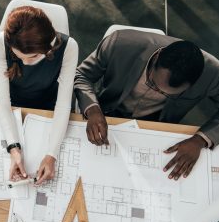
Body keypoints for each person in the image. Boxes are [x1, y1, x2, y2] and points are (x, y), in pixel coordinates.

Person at [74, 29, 219, 181]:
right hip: (106, 111)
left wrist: (200, 140)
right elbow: (82, 75)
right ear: (156, 57)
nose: (156, 92)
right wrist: (92, 109)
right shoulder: (120, 43)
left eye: (168, 94)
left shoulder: (211, 74)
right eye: (152, 83)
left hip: (156, 126)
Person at [0, 6, 78, 185]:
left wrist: (52, 154)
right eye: (19, 56)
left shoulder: (69, 47)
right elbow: (2, 101)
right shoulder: (0, 42)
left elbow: (62, 105)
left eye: (33, 57)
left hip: (49, 108)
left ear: (49, 46)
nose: (25, 63)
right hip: (13, 106)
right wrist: (14, 148)